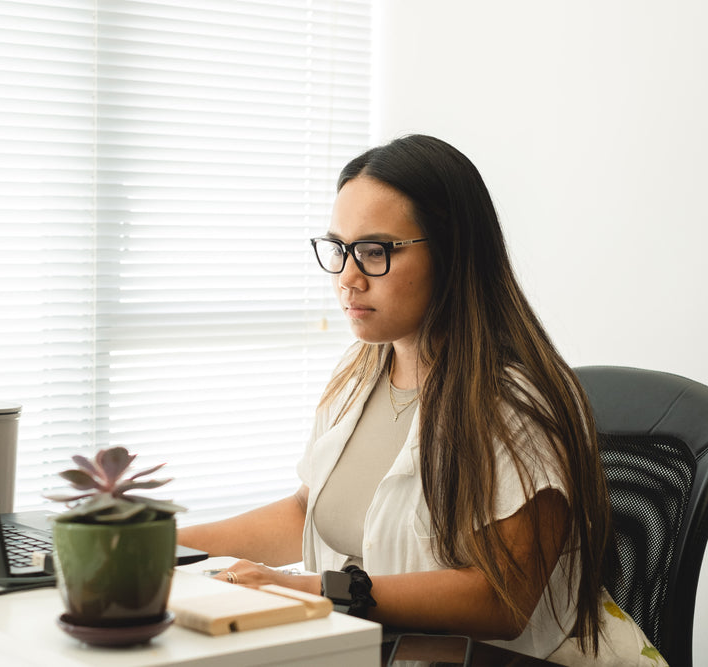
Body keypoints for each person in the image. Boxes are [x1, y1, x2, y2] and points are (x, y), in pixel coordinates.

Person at [178, 135, 666, 666]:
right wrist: (164, 547)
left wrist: (316, 589)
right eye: (338, 249)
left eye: (374, 251)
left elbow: (501, 600)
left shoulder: (517, 403)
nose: (348, 277)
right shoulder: (359, 370)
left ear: (451, 253)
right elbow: (309, 511)